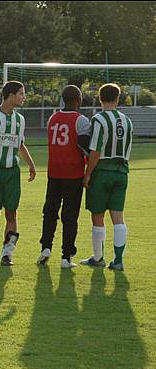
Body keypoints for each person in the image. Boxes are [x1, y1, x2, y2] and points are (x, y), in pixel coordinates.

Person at [0, 81, 36, 267]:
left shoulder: (20, 120)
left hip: (12, 173)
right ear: (10, 95)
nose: (23, 97)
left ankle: (7, 254)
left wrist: (31, 164)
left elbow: (20, 144)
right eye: (21, 93)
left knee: (12, 214)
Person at [37, 85, 90, 269]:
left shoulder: (53, 118)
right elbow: (85, 147)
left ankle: (45, 247)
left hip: (54, 173)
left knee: (50, 212)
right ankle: (66, 256)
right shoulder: (81, 120)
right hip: (73, 174)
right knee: (70, 216)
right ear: (78, 99)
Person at [80, 83, 133, 271]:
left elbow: (95, 151)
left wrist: (87, 174)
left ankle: (98, 258)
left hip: (102, 172)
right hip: (122, 172)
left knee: (98, 215)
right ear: (117, 99)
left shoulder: (98, 119)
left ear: (100, 98)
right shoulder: (127, 121)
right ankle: (118, 261)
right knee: (118, 216)